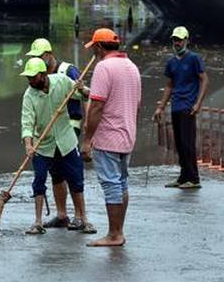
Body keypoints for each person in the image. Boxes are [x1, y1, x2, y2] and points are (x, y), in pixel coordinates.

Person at [20, 58, 95, 235]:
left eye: (33, 77)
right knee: (39, 182)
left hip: (66, 141)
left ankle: (82, 219)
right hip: (42, 145)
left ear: (43, 74)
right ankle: (38, 222)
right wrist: (29, 145)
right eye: (28, 78)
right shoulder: (29, 95)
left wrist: (81, 88)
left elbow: (84, 94)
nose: (30, 80)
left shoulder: (61, 81)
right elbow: (27, 122)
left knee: (76, 180)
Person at [81, 28, 141, 247]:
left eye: (94, 48)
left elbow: (96, 105)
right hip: (127, 134)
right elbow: (137, 105)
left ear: (99, 47)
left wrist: (87, 140)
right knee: (121, 184)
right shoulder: (132, 67)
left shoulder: (103, 67)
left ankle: (114, 234)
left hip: (108, 136)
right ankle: (118, 232)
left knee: (111, 185)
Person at [153, 26, 208, 189]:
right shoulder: (171, 62)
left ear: (186, 40)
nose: (177, 43)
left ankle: (194, 178)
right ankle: (184, 176)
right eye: (175, 40)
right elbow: (169, 86)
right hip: (176, 106)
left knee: (187, 143)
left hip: (188, 106)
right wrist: (160, 107)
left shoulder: (194, 58)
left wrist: (198, 103)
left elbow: (204, 80)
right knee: (179, 143)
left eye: (180, 40)